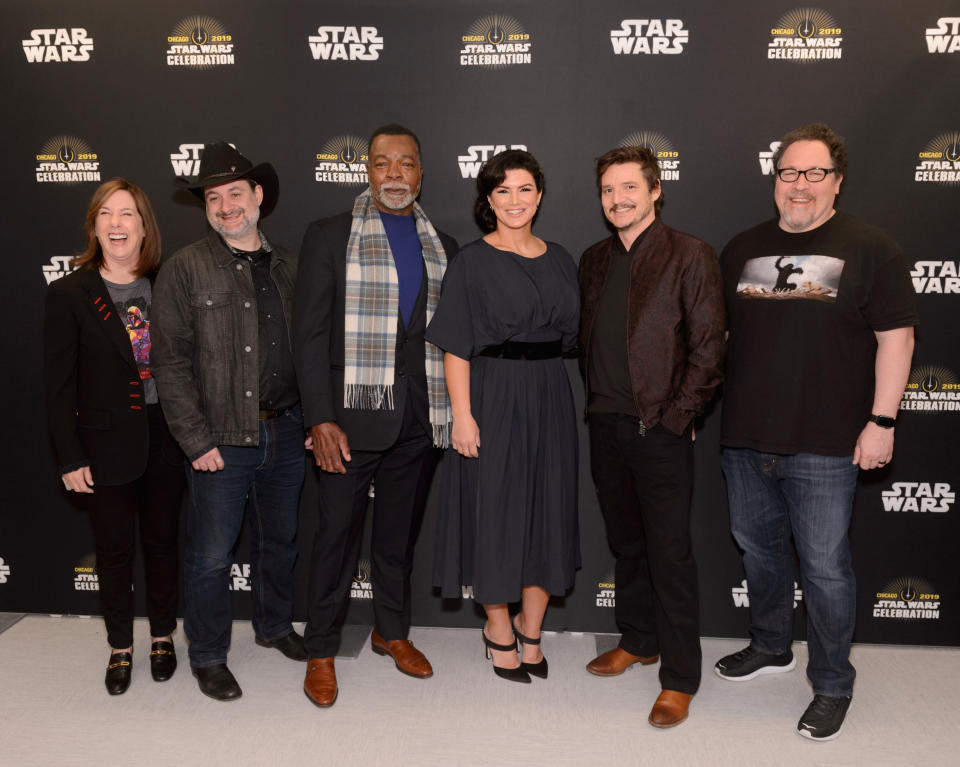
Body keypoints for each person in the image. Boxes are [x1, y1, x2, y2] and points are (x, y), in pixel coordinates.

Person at [715, 123, 917, 741]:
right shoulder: (742, 248)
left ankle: (831, 684)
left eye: (814, 174)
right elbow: (720, 340)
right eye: (788, 174)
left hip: (828, 444)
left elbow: (897, 339)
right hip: (746, 439)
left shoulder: (871, 246)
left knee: (827, 571)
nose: (799, 186)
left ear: (836, 180)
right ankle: (772, 645)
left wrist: (881, 421)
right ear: (774, 181)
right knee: (760, 552)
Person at [293, 124, 458, 707]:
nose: (394, 174)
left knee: (397, 538)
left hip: (418, 418)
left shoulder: (443, 243)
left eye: (406, 163)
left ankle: (392, 633)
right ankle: (320, 648)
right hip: (348, 420)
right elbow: (308, 337)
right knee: (335, 536)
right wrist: (319, 417)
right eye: (383, 163)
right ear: (367, 170)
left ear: (420, 173)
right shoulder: (329, 235)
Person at [152, 142, 307, 702]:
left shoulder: (290, 264)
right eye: (213, 198)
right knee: (211, 556)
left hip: (288, 430)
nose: (225, 207)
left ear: (258, 195)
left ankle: (273, 627)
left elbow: (309, 350)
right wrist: (195, 441)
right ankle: (210, 655)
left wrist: (314, 421)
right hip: (219, 439)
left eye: (235, 194)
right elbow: (167, 363)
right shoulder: (185, 269)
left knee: (281, 542)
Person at [579, 146, 725, 727]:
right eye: (608, 191)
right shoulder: (593, 260)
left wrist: (676, 417)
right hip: (605, 426)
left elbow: (709, 347)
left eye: (629, 189)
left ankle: (680, 677)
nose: (618, 200)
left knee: (669, 553)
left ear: (655, 189)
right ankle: (638, 638)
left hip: (659, 429)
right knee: (626, 545)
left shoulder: (690, 254)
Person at [426, 149, 580, 684]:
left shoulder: (561, 257)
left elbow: (575, 339)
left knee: (548, 513)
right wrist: (461, 416)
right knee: (496, 514)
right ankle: (497, 629)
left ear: (539, 194)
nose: (514, 201)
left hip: (551, 398)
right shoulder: (471, 260)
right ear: (488, 200)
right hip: (492, 397)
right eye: (502, 191)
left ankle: (531, 630)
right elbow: (455, 346)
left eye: (524, 190)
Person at [43, 178, 185, 695]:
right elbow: (56, 386)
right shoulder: (69, 293)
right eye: (106, 213)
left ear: (145, 226)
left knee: (164, 544)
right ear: (94, 226)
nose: (117, 223)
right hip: (103, 445)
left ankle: (164, 637)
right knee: (115, 550)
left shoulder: (170, 283)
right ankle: (120, 647)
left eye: (127, 214)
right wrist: (69, 456)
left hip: (168, 437)